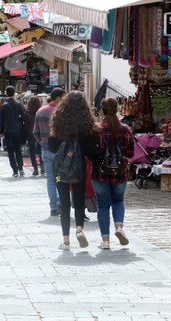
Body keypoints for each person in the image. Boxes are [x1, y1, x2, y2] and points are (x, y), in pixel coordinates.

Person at [48, 91, 99, 250]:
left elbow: (52, 146)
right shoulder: (87, 126)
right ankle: (79, 229)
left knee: (64, 203)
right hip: (79, 170)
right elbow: (92, 153)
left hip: (60, 172)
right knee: (78, 201)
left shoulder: (59, 123)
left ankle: (65, 241)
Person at [92, 98, 135, 250]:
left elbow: (92, 153)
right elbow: (131, 153)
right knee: (118, 201)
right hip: (120, 172)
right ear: (117, 109)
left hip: (100, 173)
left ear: (102, 111)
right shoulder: (125, 129)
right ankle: (119, 227)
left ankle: (105, 241)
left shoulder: (97, 130)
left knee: (103, 206)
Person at [34, 88, 65, 216]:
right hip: (60, 150)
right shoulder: (61, 112)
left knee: (50, 179)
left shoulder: (40, 111)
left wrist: (42, 143)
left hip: (46, 149)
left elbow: (35, 132)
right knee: (62, 178)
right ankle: (61, 203)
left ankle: (53, 206)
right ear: (58, 98)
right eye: (63, 97)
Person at [0, 86, 26, 177]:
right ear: (14, 93)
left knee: (10, 151)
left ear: (6, 94)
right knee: (18, 150)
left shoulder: (4, 106)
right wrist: (22, 127)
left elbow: (1, 120)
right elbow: (24, 118)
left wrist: (1, 131)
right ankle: (21, 169)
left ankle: (15, 170)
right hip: (18, 130)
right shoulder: (19, 105)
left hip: (8, 131)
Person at [25, 96, 43, 176]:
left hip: (30, 133)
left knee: (32, 151)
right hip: (40, 133)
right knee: (40, 150)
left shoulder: (27, 113)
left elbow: (26, 125)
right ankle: (42, 167)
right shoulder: (40, 111)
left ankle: (35, 168)